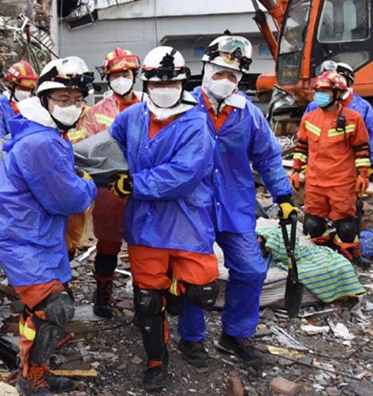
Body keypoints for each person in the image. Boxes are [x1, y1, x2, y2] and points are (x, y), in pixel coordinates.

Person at [178, 35, 294, 368]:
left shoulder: (249, 115)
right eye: (219, 72)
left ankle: (236, 334)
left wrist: (283, 195)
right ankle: (192, 338)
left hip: (234, 206)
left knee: (251, 268)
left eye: (232, 75)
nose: (225, 80)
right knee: (195, 273)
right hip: (193, 207)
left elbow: (268, 158)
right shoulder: (183, 108)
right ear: (205, 70)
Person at [108, 46, 218, 390]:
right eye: (157, 82)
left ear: (184, 83)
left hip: (187, 220)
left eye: (172, 81)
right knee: (146, 300)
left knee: (203, 292)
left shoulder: (197, 123)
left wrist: (134, 183)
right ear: (148, 83)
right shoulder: (132, 117)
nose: (164, 87)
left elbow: (184, 174)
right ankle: (157, 359)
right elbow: (108, 147)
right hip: (146, 224)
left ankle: (175, 292)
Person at [0, 56, 97, 396]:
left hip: (38, 234)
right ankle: (30, 379)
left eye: (77, 99)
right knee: (53, 308)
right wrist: (89, 183)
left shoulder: (47, 131)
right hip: (22, 238)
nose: (71, 106)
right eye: (63, 99)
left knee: (41, 311)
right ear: (45, 99)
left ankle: (35, 369)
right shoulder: (41, 142)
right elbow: (67, 199)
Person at [73, 47, 141, 318]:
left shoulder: (149, 107)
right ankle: (103, 292)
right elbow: (84, 149)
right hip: (109, 191)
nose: (121, 79)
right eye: (115, 75)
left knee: (143, 249)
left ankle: (144, 297)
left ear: (134, 74)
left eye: (125, 73)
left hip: (141, 188)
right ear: (107, 78)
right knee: (108, 247)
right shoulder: (95, 112)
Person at [291, 71, 371, 264]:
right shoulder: (309, 118)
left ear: (337, 94)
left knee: (345, 225)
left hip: (342, 181)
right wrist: (296, 170)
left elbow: (361, 149)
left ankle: (349, 254)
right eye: (318, 91)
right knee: (312, 222)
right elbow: (302, 146)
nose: (320, 95)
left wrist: (363, 175)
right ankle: (325, 254)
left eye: (325, 91)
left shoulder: (353, 119)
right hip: (315, 180)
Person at [305, 60, 373, 178]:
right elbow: (304, 137)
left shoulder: (361, 107)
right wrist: (302, 162)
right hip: (319, 169)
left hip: (348, 170)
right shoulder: (314, 107)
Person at [0, 61, 38, 137]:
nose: (26, 93)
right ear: (11, 85)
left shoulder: (34, 108)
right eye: (23, 88)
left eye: (29, 89)